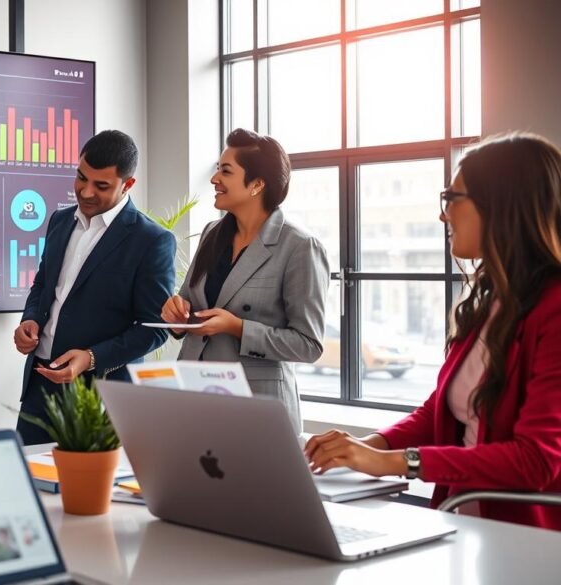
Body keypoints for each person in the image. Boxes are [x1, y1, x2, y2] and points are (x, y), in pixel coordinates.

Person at [305, 132, 561, 531]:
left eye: (452, 199)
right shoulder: (492, 300)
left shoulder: (554, 308)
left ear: (500, 206)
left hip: (524, 539)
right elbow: (437, 412)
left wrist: (393, 462)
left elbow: (537, 460)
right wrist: (362, 449)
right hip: (467, 525)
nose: (444, 215)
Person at [13, 130, 176, 445]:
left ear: (128, 184)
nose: (86, 192)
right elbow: (43, 284)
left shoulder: (151, 240)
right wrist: (29, 318)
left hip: (99, 396)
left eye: (101, 186)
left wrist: (90, 357)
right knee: (26, 472)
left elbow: (155, 329)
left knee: (89, 480)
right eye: (81, 178)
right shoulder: (59, 221)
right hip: (39, 385)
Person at [161, 129, 329, 434]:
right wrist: (177, 314)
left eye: (226, 171)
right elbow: (189, 301)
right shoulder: (212, 233)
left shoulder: (300, 246)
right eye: (217, 169)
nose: (214, 179)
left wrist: (237, 327)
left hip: (257, 404)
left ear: (257, 184)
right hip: (194, 393)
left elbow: (309, 345)